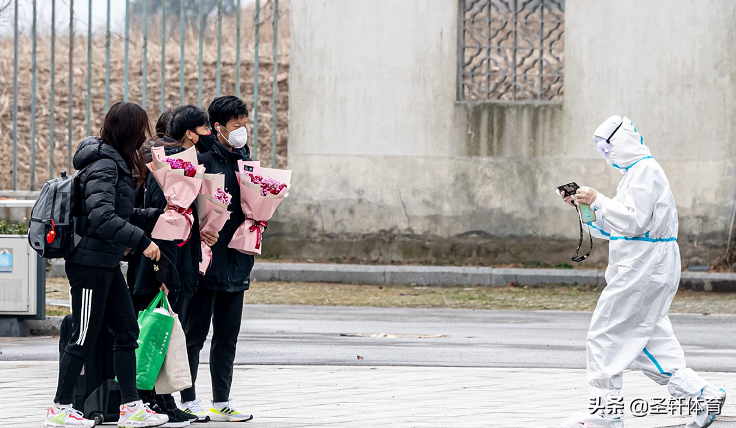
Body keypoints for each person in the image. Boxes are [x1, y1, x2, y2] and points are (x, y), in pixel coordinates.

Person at [560, 115, 726, 428]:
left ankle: (606, 414)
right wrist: (587, 209)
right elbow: (618, 228)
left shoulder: (645, 172)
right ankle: (701, 396)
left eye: (607, 146)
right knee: (646, 338)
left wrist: (599, 200)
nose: (606, 154)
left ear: (621, 142)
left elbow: (633, 222)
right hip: (645, 263)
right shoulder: (636, 174)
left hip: (643, 266)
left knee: (606, 334)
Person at [47, 102, 169, 428]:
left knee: (128, 332)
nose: (145, 137)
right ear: (129, 131)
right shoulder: (104, 165)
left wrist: (161, 216)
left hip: (107, 262)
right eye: (140, 129)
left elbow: (120, 215)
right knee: (83, 336)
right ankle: (60, 409)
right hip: (89, 263)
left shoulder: (115, 164)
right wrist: (144, 242)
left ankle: (131, 407)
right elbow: (102, 219)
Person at [129, 106, 218, 425]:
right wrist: (163, 267)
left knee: (165, 328)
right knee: (157, 330)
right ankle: (152, 400)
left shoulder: (183, 163)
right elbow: (157, 213)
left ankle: (158, 399)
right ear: (190, 132)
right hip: (161, 260)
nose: (209, 135)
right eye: (205, 129)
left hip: (177, 257)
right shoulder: (166, 163)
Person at [179, 96, 254, 423]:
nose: (242, 132)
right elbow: (181, 207)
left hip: (237, 260)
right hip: (206, 262)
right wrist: (198, 234)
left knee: (227, 337)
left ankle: (221, 400)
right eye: (237, 125)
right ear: (219, 127)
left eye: (244, 124)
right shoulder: (203, 161)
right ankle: (188, 398)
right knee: (194, 335)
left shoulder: (246, 163)